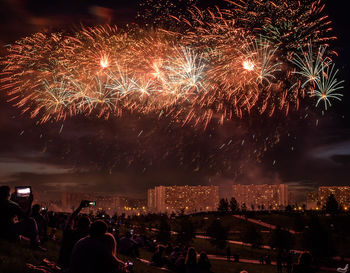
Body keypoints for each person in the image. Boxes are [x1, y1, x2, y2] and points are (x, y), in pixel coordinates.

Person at [0, 185, 45, 251]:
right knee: (31, 221)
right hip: (7, 231)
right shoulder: (12, 205)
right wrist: (30, 202)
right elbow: (26, 216)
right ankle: (35, 244)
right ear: (8, 194)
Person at [57, 201, 91, 269]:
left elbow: (70, 219)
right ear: (88, 227)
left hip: (62, 262)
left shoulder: (69, 233)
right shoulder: (85, 239)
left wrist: (80, 207)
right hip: (75, 266)